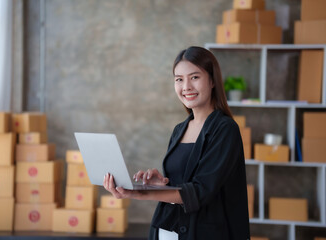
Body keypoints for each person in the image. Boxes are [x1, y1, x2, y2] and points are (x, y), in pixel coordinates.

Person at [103, 46, 250, 240]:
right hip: (168, 231)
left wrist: (140, 193)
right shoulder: (180, 130)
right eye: (179, 79)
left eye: (194, 77)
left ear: (213, 80)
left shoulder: (225, 130)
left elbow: (200, 191)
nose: (186, 86)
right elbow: (183, 186)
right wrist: (160, 184)